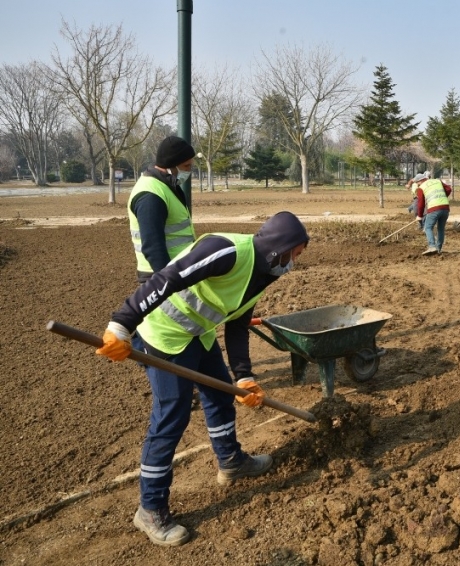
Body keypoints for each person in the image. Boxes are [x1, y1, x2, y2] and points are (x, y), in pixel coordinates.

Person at [95, 212, 310, 547]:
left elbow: (238, 325)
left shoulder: (263, 273)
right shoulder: (225, 250)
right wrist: (121, 324)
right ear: (278, 247)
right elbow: (168, 278)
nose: (293, 263)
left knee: (220, 395)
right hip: (163, 335)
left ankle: (231, 461)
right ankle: (150, 508)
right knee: (172, 416)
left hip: (197, 334)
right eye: (294, 254)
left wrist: (244, 377)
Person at [128, 135, 197, 285]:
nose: (189, 170)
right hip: (159, 277)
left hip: (176, 272)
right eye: (186, 166)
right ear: (171, 166)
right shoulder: (150, 194)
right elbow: (153, 246)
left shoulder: (166, 186)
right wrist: (168, 284)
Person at [415, 175, 452, 255]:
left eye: (417, 183)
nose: (418, 185)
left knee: (427, 227)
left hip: (434, 208)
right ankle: (438, 249)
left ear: (421, 180)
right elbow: (449, 189)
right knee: (441, 229)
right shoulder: (437, 181)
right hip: (445, 207)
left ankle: (432, 246)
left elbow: (420, 204)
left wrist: (419, 216)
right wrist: (442, 196)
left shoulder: (421, 187)